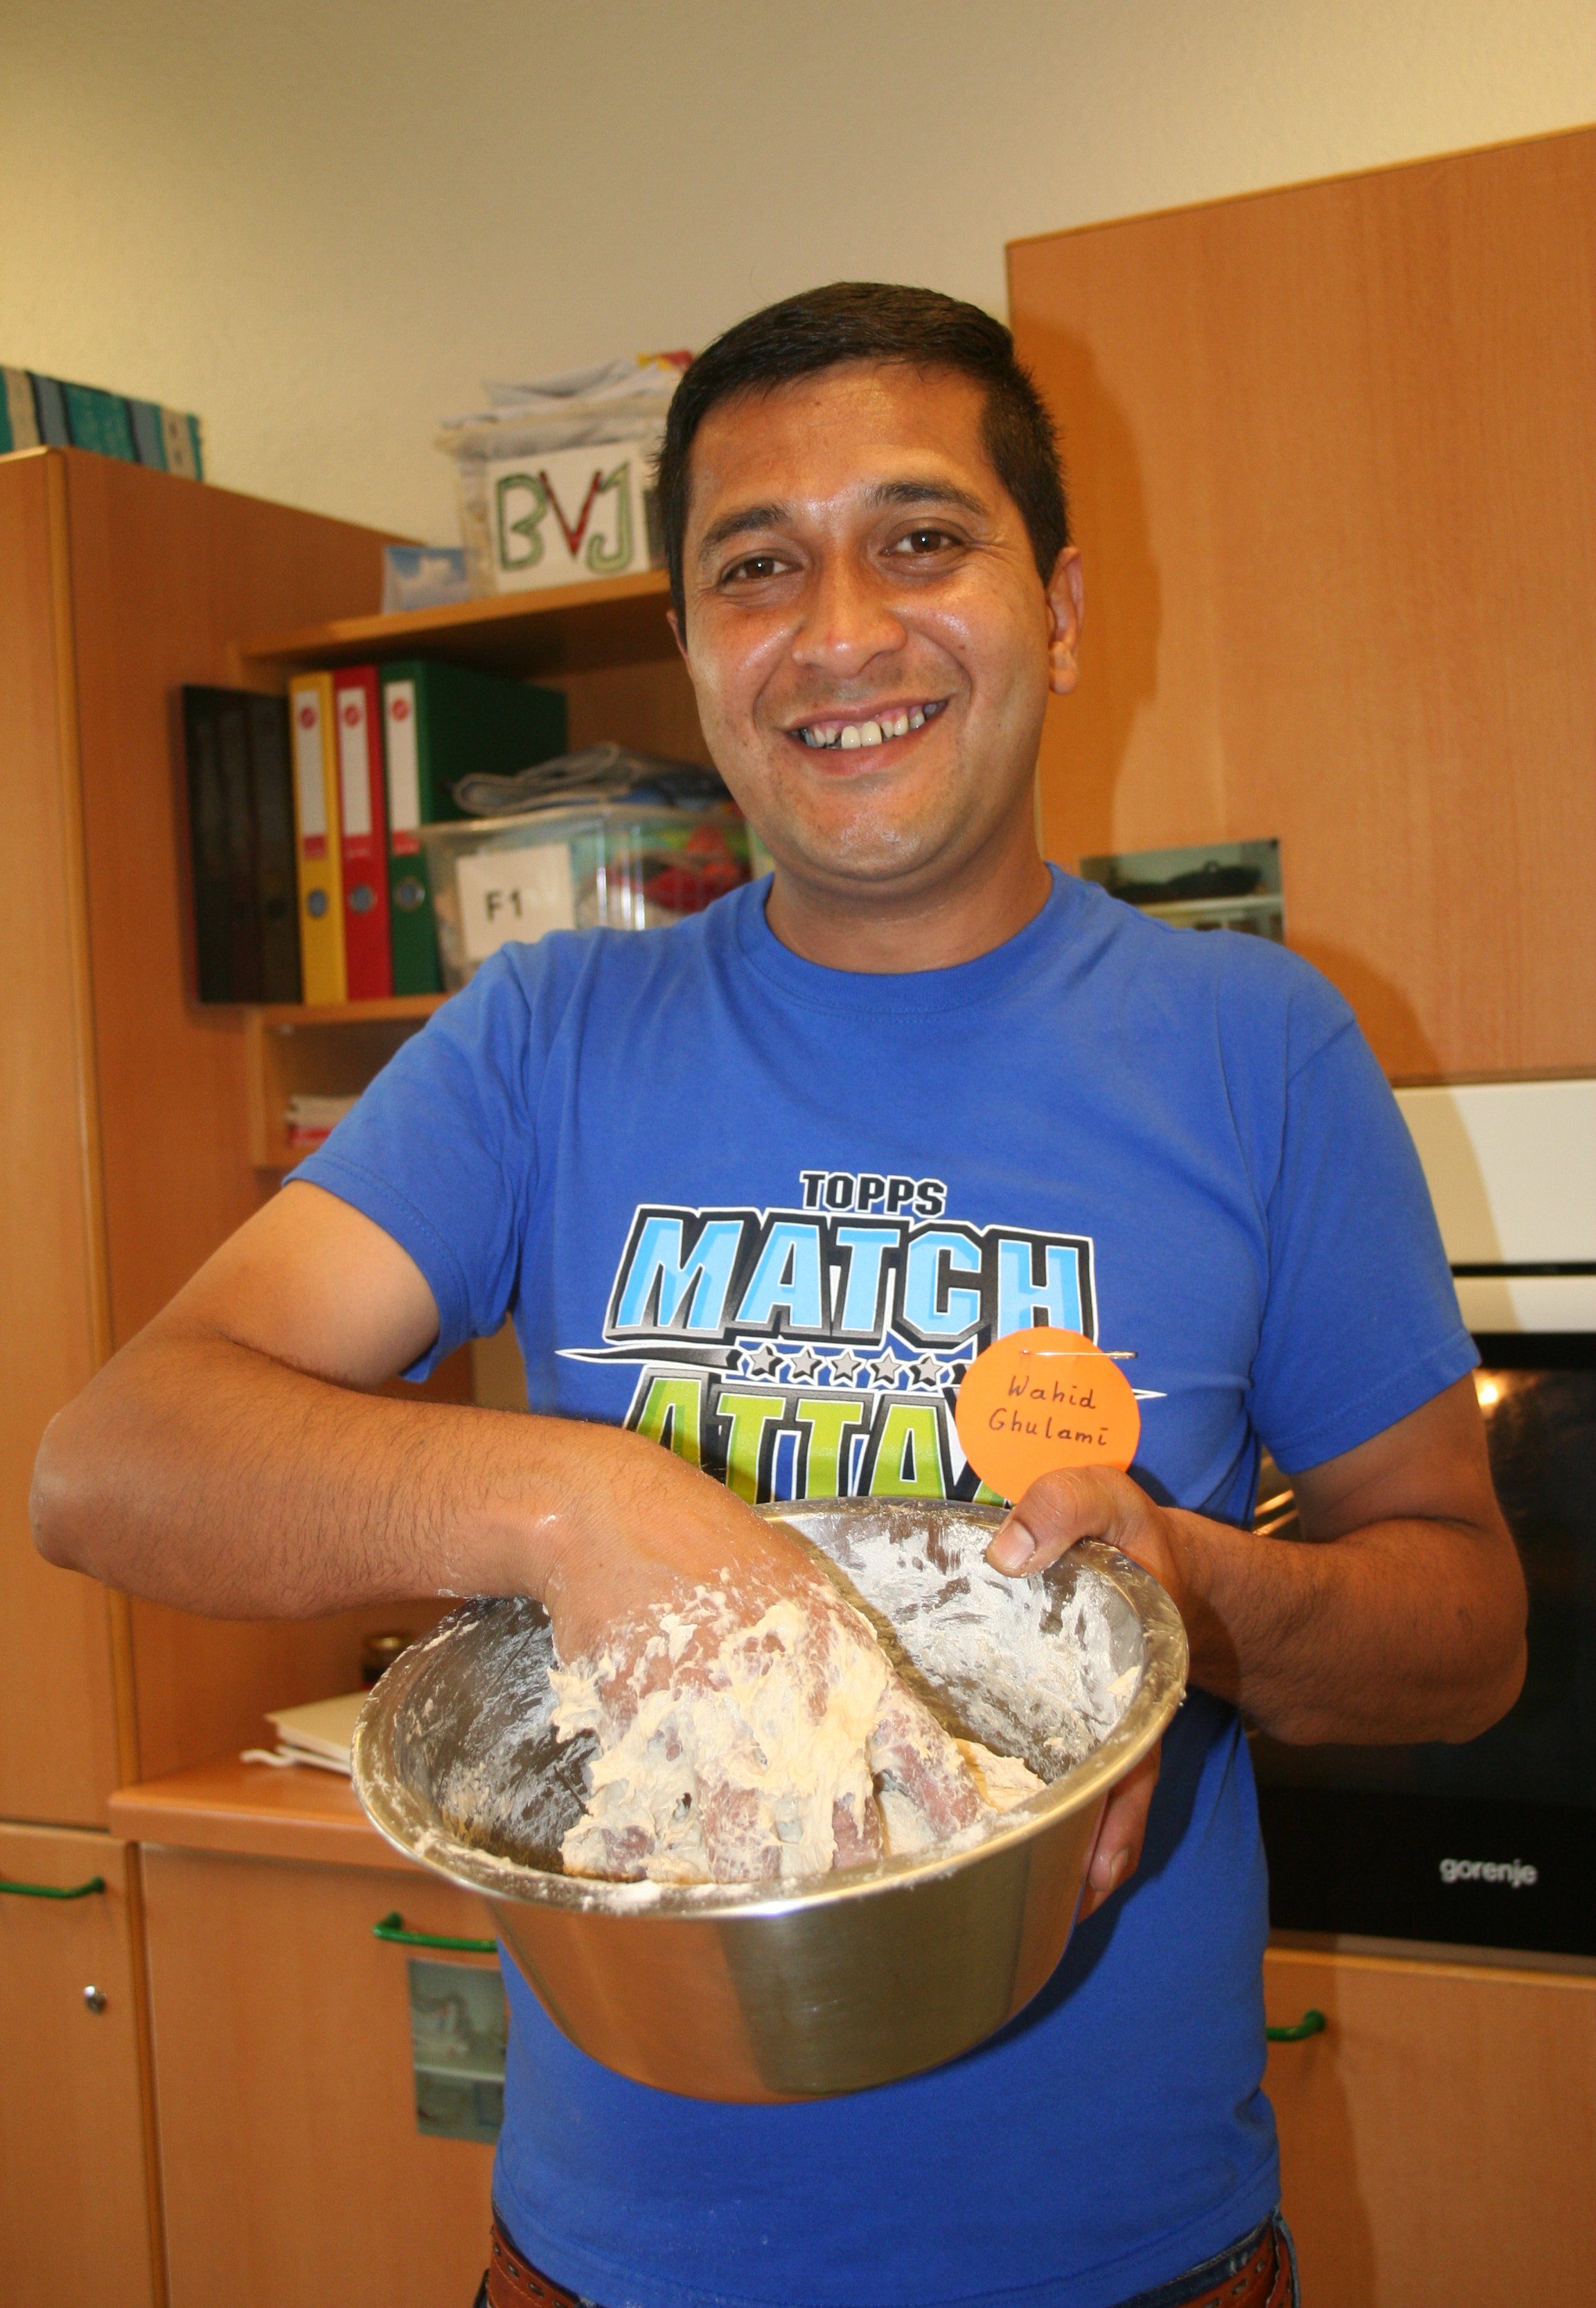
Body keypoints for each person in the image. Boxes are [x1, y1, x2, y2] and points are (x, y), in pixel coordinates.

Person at [32, 283, 1526, 2308]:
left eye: (921, 539)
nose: (838, 633)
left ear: (1060, 610)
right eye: (756, 566)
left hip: (1128, 2264)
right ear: (691, 646)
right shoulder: (547, 1036)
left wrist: (1194, 1598)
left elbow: (1467, 1626)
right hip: (614, 2266)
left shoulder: (1259, 1047)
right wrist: (579, 1505)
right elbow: (113, 1463)